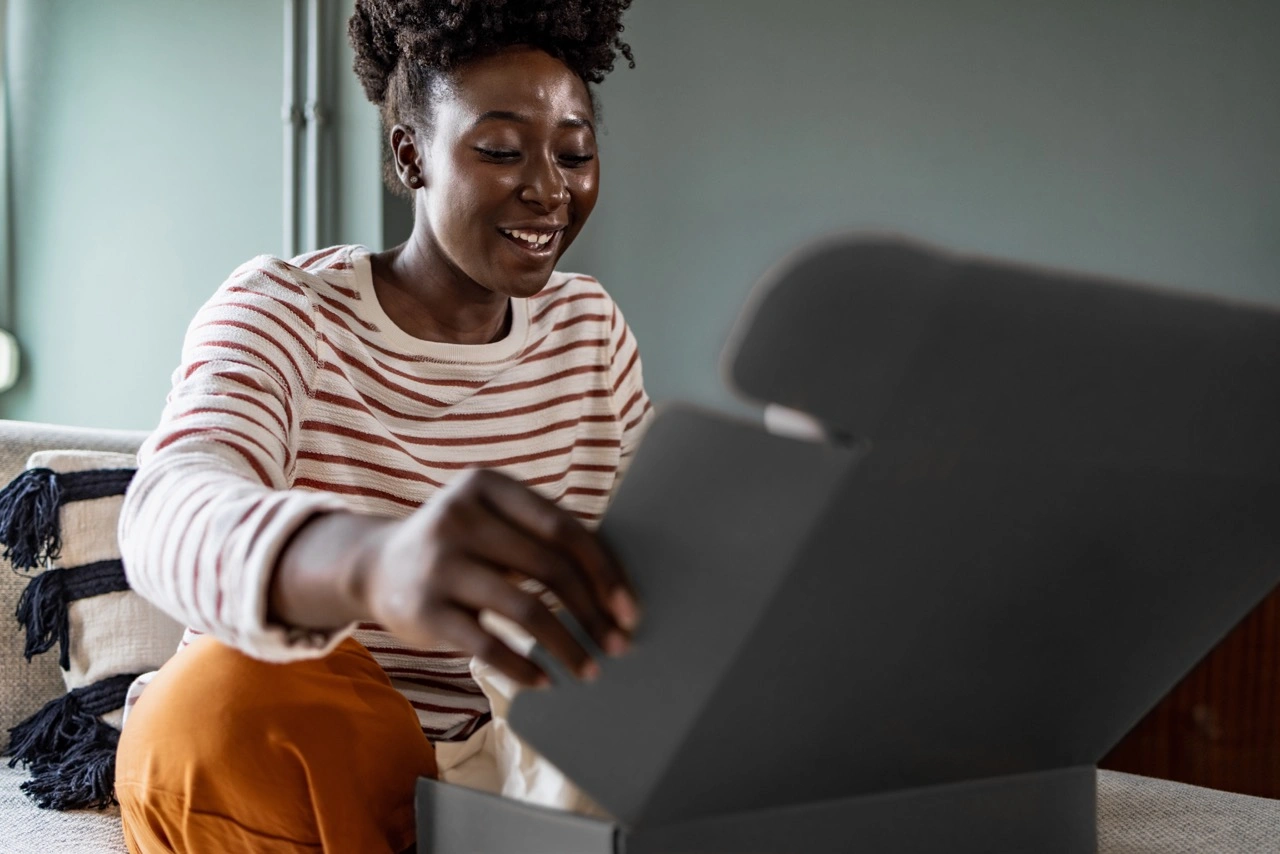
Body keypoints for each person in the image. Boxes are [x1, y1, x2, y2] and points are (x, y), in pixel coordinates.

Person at [113, 1, 649, 851]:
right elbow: (165, 508)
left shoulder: (591, 329)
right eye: (502, 150)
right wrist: (374, 563)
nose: (550, 187)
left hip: (530, 766)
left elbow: (658, 554)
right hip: (330, 771)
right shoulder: (284, 311)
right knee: (217, 704)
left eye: (575, 152)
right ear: (411, 155)